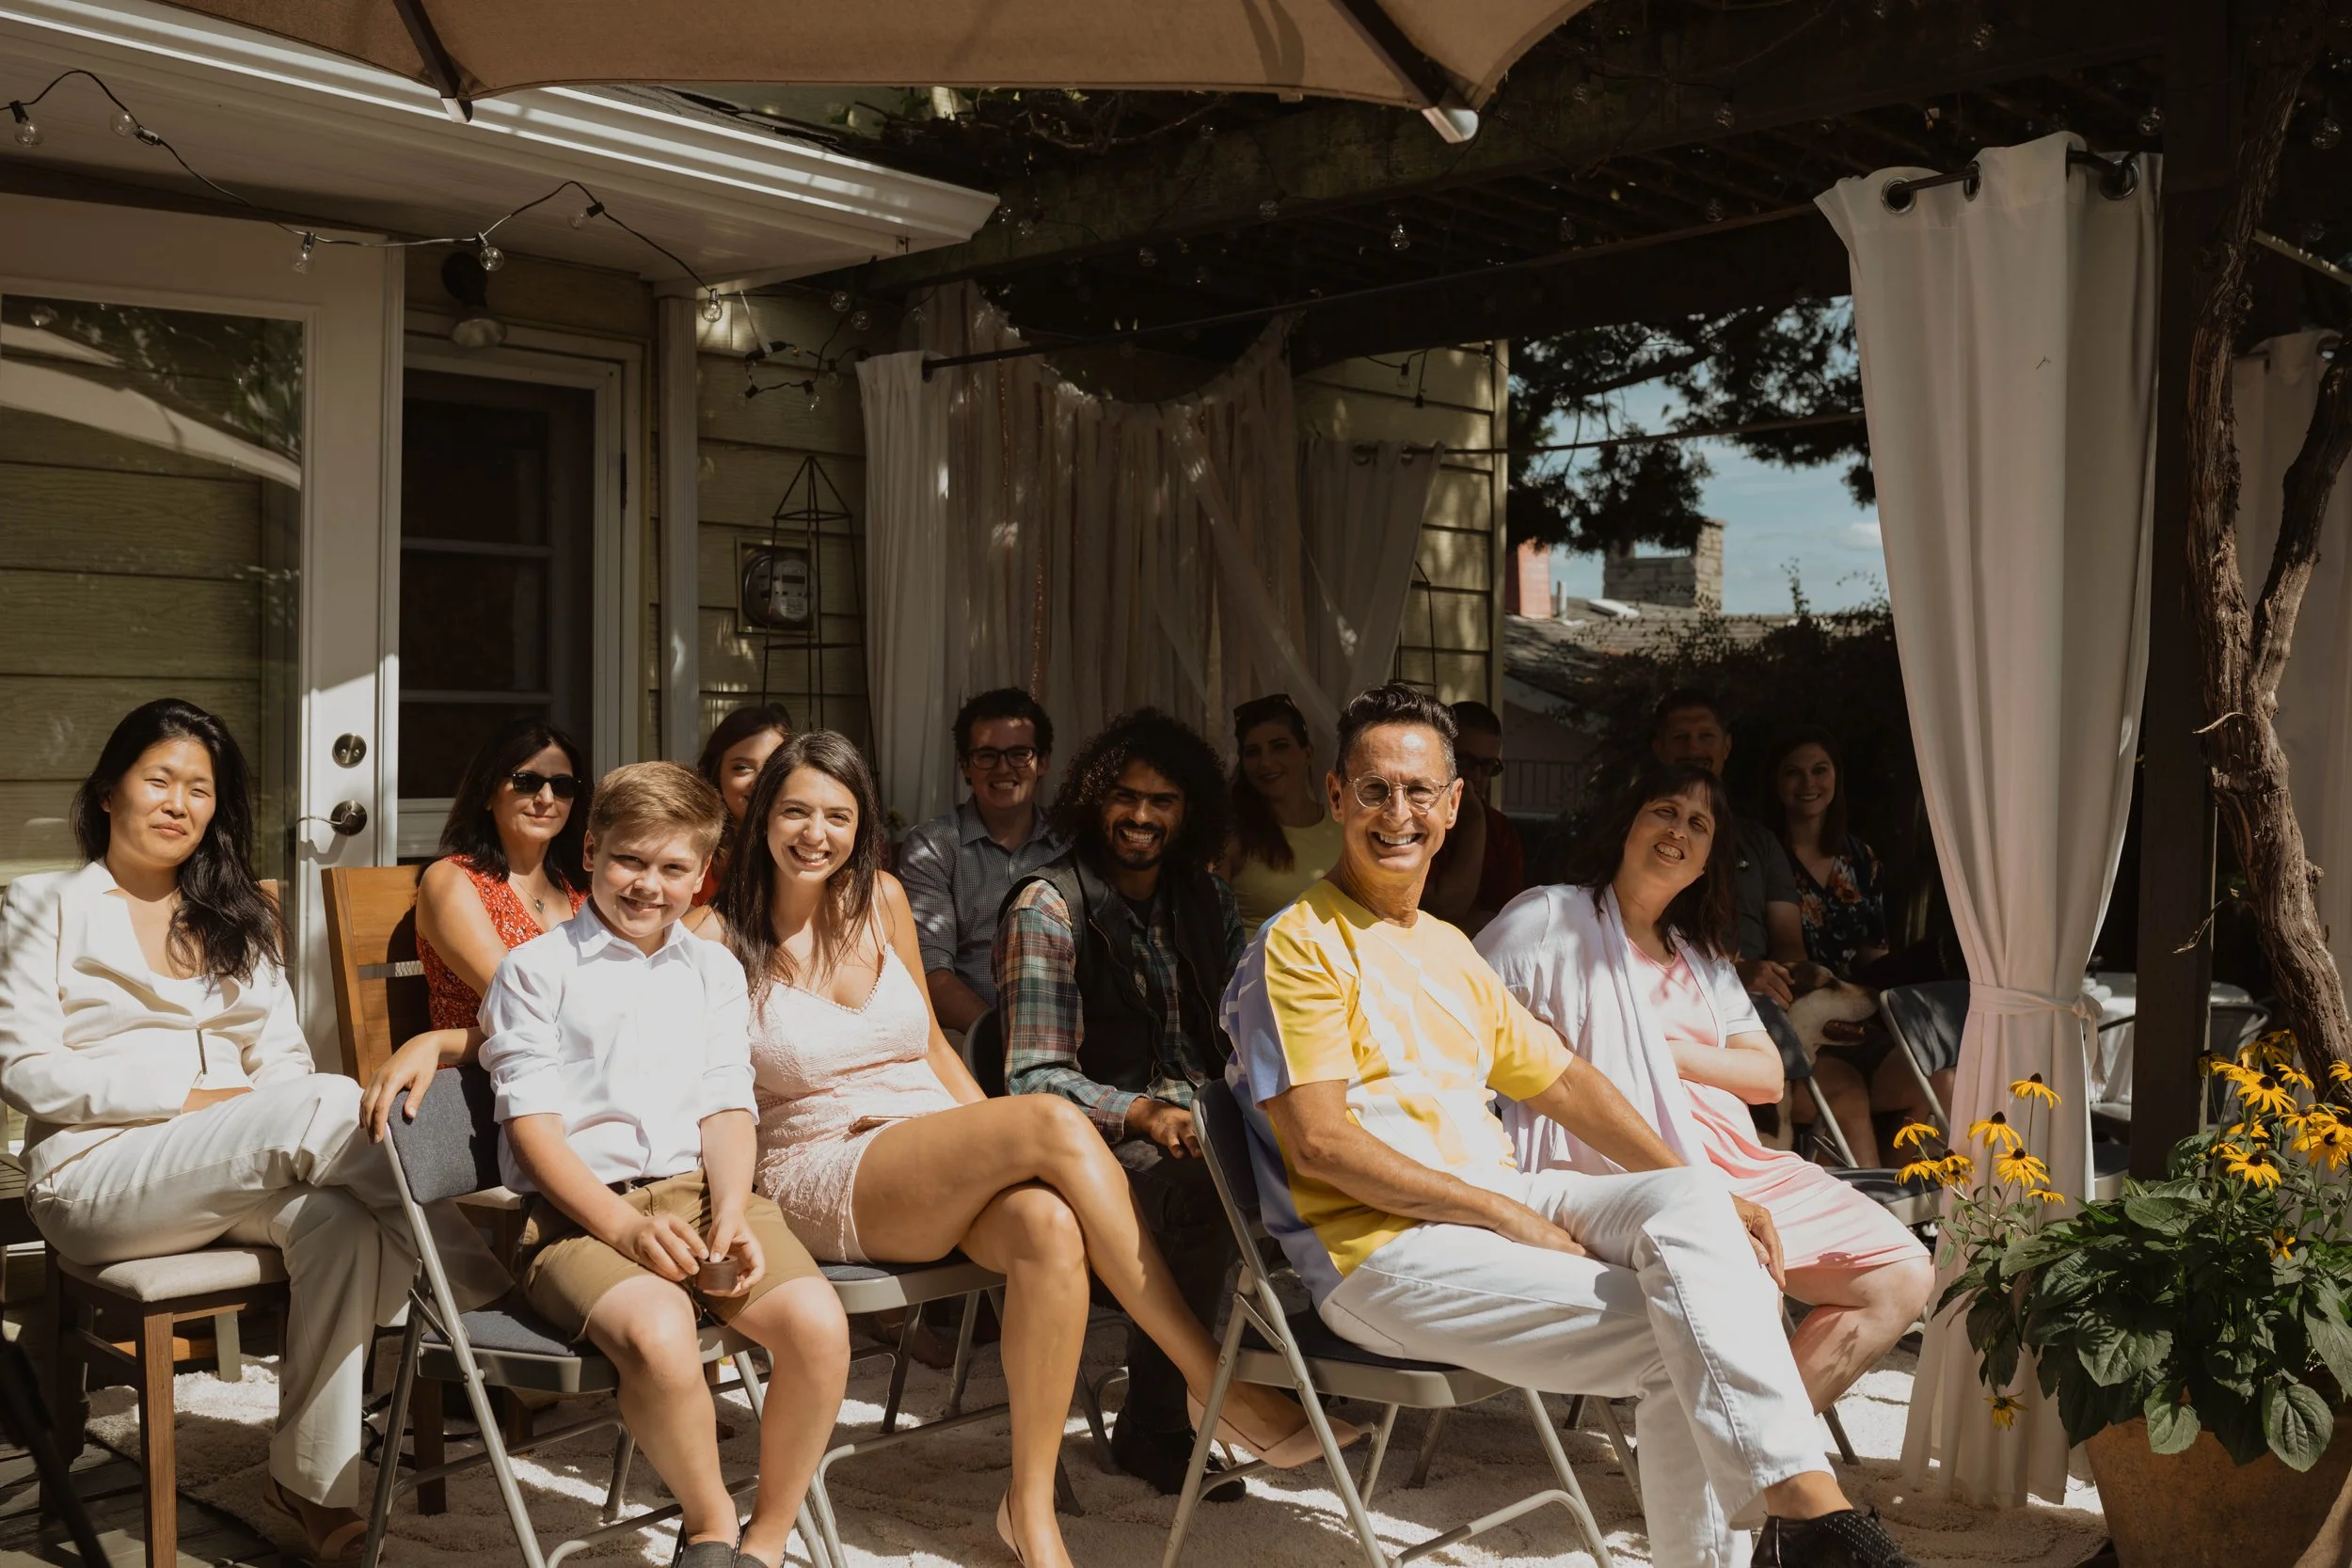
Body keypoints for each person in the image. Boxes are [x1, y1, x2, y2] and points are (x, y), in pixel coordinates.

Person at [1222, 683, 1917, 1568]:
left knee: (1703, 1226)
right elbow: (1323, 1142)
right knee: (1696, 1329)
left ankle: (1802, 1517)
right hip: (1383, 1255)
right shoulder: (1300, 944)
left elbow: (1564, 1080)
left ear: (1453, 803)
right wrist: (1500, 1213)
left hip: (1497, 1197)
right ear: (1335, 797)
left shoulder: (1441, 945)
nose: (1398, 812)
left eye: (1419, 790)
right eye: (1374, 790)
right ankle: (1808, 1515)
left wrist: (1698, 1186)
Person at [727, 732, 1335, 1568]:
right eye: (795, 810)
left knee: (1047, 1225)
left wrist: (990, 1143)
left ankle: (1030, 1507)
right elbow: (709, 1093)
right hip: (821, 1163)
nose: (815, 833)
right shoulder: (716, 931)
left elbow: (936, 1053)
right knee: (1048, 1120)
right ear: (763, 814)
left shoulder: (884, 899)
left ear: (861, 823)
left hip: (927, 1145)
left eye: (837, 814)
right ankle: (1217, 1385)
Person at [0, 700, 502, 1563]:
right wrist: (190, 1096)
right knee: (324, 1104)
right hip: (94, 1176)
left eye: (200, 788)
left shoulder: (237, 915)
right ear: (109, 792)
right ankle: (501, 1289)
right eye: (157, 779)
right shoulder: (41, 903)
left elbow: (281, 1065)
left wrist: (241, 1110)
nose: (178, 802)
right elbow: (22, 1067)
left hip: (233, 1164)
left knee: (340, 1222)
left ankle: (309, 1485)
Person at [1476, 761, 1933, 1415]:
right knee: (1744, 1283)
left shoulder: (1701, 956)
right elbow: (1455, 1021)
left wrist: (1656, 1051)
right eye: (1664, 810)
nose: (1679, 830)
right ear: (1627, 825)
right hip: (1616, 1165)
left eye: (1699, 823)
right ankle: (1745, 1477)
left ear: (1706, 860)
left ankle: (1749, 1463)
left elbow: (1767, 1075)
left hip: (1740, 1160)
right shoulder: (1550, 917)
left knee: (1901, 1273)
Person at [478, 761, 848, 1568]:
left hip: (704, 1192)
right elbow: (536, 1132)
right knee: (660, 1327)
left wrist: (732, 1210)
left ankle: (770, 1536)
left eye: (674, 868)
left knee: (819, 1326)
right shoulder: (536, 972)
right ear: (591, 849)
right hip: (580, 1212)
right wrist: (623, 1227)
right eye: (630, 861)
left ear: (702, 873)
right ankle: (711, 1521)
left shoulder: (712, 968)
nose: (649, 885)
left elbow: (726, 1102)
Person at [998, 709, 1319, 1497]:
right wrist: (1140, 1112)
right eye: (1127, 797)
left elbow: (1247, 1031)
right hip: (1102, 1142)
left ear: (1192, 811)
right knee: (1197, 1189)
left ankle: (1335, 1374)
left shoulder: (1206, 898)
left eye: (1164, 801)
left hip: (1212, 1116)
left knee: (1339, 1149)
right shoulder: (1048, 904)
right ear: (1091, 799)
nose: (1142, 816)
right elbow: (1033, 1075)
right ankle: (1158, 1425)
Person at [358, 719, 593, 1139]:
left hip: (575, 1077)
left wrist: (440, 1040)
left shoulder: (579, 887)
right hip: (485, 1092)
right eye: (526, 781)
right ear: (488, 792)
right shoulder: (452, 881)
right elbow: (524, 1007)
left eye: (563, 785)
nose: (545, 798)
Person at [1768, 727, 1936, 1165]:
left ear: (1836, 778)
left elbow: (1873, 958)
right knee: (1850, 1096)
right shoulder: (1766, 858)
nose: (1808, 784)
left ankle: (1919, 1213)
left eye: (1820, 770)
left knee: (1937, 1081)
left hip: (1855, 1017)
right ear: (1776, 783)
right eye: (1793, 773)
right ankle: (1874, 1219)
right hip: (1798, 1024)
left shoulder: (1860, 858)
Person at [898, 688, 1062, 1036]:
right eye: (987, 755)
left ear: (1043, 761)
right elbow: (930, 972)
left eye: (1020, 754)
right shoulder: (934, 846)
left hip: (1071, 1034)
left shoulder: (1071, 842)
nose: (1003, 768)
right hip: (971, 1036)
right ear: (965, 767)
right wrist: (1002, 1038)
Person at [1220, 692, 1344, 930]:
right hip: (1258, 966)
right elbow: (1211, 931)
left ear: (1307, 753)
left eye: (1279, 747)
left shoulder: (1343, 830)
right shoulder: (1233, 836)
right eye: (1253, 752)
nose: (1265, 763)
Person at [694, 702, 793, 907]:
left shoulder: (811, 847)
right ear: (716, 773)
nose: (759, 781)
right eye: (741, 768)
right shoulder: (694, 847)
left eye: (773, 767)